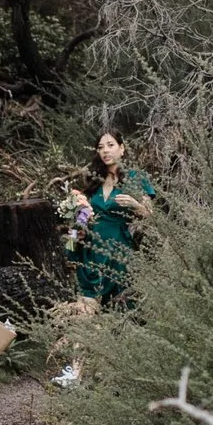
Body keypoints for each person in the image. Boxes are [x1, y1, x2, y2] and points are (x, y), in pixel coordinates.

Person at [74, 129, 154, 306]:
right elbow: (79, 217)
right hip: (92, 249)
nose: (105, 151)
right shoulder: (94, 179)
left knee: (120, 306)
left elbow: (150, 214)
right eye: (101, 147)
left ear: (122, 148)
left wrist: (135, 204)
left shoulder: (135, 177)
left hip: (118, 250)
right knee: (87, 306)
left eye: (111, 145)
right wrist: (74, 237)